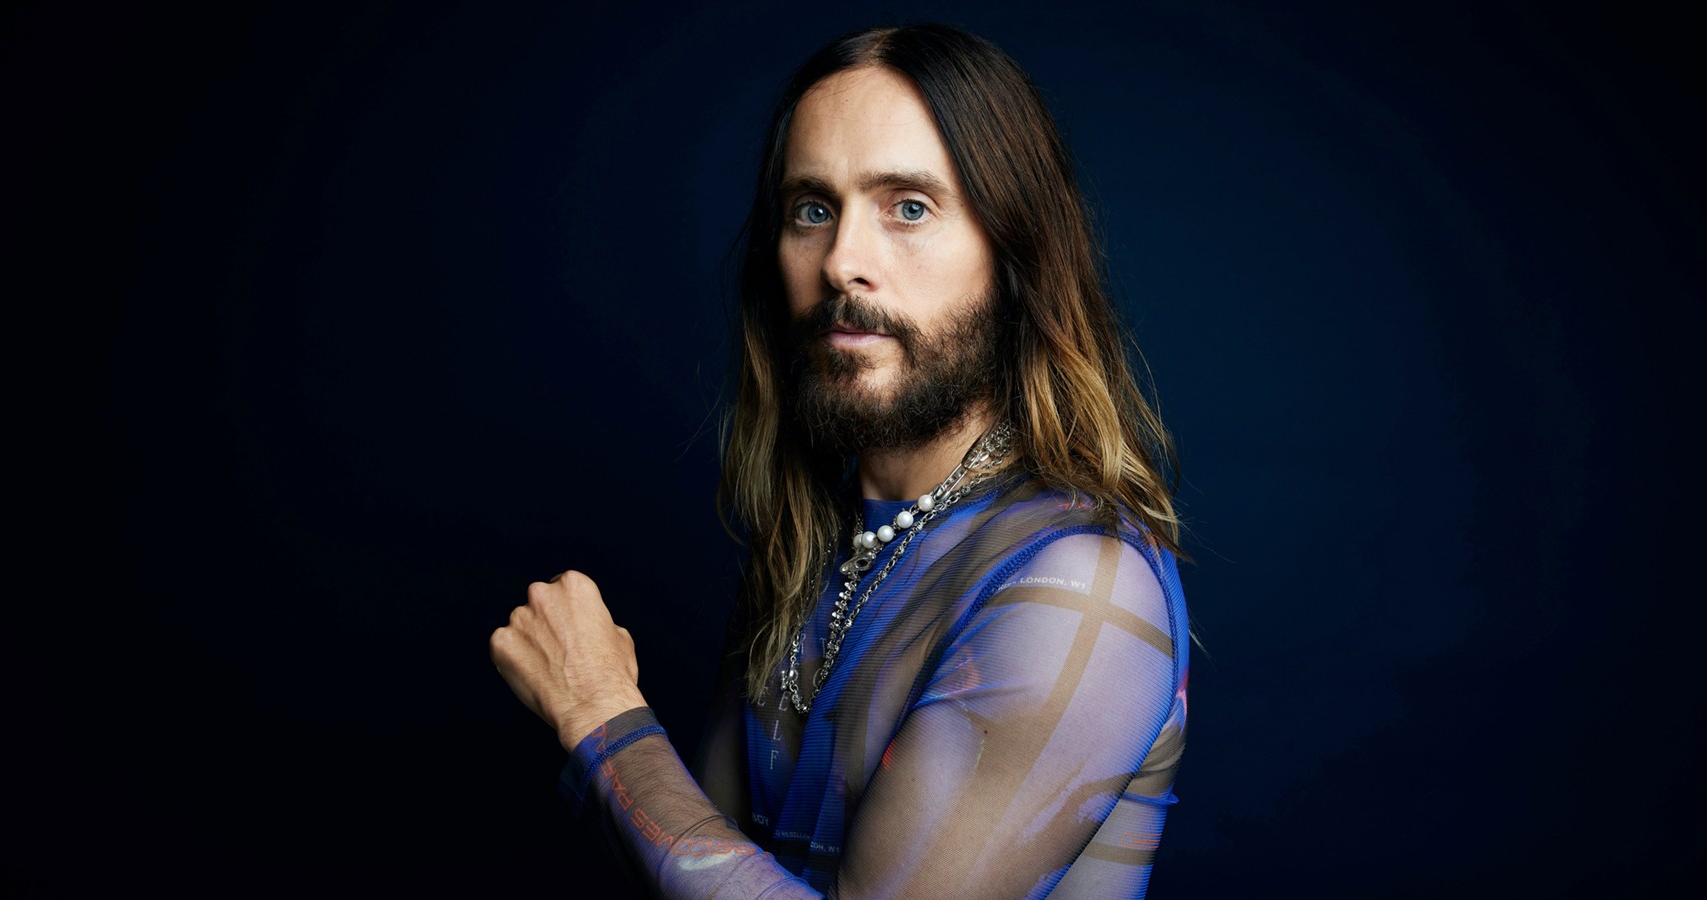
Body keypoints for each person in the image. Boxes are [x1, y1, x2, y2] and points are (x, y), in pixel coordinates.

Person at [491, 23, 1190, 898]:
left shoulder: (1080, 584)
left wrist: (601, 713)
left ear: (1015, 253)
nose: (842, 262)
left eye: (909, 207)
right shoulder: (821, 540)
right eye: (813, 210)